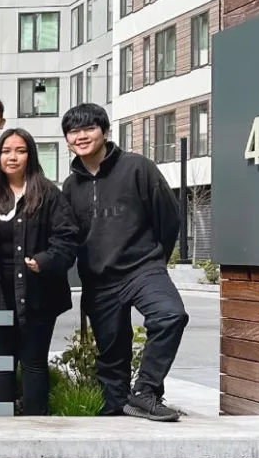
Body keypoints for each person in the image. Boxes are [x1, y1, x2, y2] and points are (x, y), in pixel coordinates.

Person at [60, 103, 188, 422]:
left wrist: (156, 257)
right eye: (74, 131)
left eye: (89, 128)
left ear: (104, 131)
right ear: (67, 140)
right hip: (99, 281)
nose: (82, 136)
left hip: (141, 268)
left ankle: (145, 391)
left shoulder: (137, 167)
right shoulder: (70, 186)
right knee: (112, 357)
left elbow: (169, 217)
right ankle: (116, 411)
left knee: (170, 315)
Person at [0, 128, 82, 415]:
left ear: (30, 155)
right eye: (6, 151)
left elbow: (67, 237)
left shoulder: (48, 194)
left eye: (20, 150)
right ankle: (0, 428)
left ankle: (35, 426)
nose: (12, 157)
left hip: (37, 292)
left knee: (33, 361)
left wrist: (45, 260)